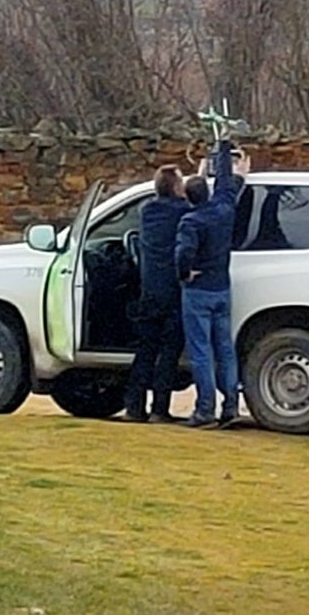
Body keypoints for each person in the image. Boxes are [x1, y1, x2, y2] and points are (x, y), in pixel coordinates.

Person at [175, 138, 249, 429]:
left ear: (187, 198)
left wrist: (184, 274)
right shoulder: (223, 210)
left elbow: (183, 253)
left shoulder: (191, 222)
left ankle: (205, 409)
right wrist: (223, 150)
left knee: (201, 351)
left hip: (199, 290)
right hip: (222, 288)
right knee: (225, 348)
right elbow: (226, 186)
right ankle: (230, 405)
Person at [123, 164, 191, 423]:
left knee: (146, 350)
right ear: (176, 187)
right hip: (174, 291)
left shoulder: (147, 210)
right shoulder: (184, 212)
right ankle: (159, 409)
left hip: (149, 289)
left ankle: (134, 406)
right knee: (169, 352)